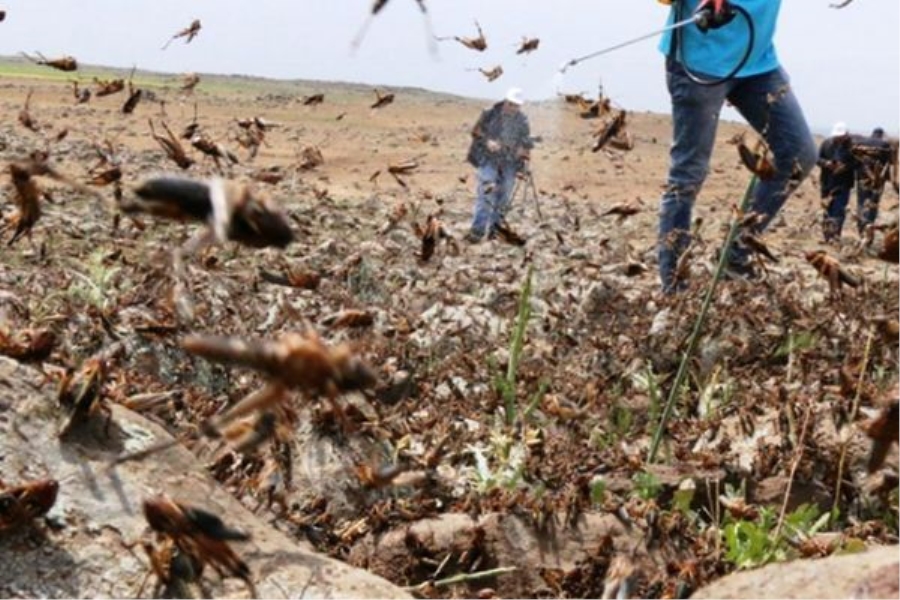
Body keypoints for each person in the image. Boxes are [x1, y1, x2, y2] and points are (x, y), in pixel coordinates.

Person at [656, 0, 817, 293]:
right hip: (700, 63)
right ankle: (674, 291)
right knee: (688, 174)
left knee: (799, 153)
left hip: (758, 62)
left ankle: (736, 256)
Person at [464, 87, 533, 242]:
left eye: (517, 106)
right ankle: (477, 231)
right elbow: (475, 132)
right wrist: (488, 142)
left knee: (504, 196)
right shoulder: (489, 113)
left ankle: (495, 231)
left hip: (510, 163)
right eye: (511, 104)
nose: (513, 108)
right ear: (505, 101)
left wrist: (523, 156)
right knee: (486, 194)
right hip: (487, 159)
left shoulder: (522, 120)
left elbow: (526, 142)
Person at [818, 121, 856, 243]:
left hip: (843, 184)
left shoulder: (853, 147)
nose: (839, 139)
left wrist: (845, 167)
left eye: (841, 137)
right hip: (827, 182)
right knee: (826, 209)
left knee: (838, 210)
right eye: (837, 137)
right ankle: (827, 236)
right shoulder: (826, 143)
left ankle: (835, 235)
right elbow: (817, 158)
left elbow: (859, 163)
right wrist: (826, 163)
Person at [851, 126, 894, 237]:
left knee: (861, 203)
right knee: (873, 204)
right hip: (878, 180)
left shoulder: (862, 142)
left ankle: (861, 229)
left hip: (862, 178)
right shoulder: (884, 144)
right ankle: (869, 226)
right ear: (881, 134)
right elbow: (889, 162)